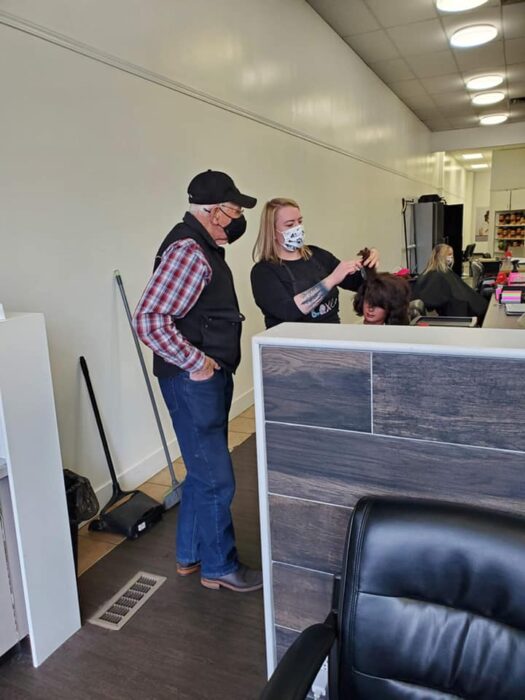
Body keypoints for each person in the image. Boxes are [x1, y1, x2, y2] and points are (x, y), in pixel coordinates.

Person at [133, 169, 262, 593]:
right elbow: (149, 319)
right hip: (193, 382)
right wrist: (196, 362)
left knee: (202, 471)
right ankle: (219, 566)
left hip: (200, 380)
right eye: (232, 210)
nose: (238, 218)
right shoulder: (190, 251)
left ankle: (190, 555)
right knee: (216, 478)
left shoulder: (204, 246)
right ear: (212, 212)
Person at [250, 198, 379, 328]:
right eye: (289, 225)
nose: (297, 228)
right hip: (292, 345)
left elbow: (358, 284)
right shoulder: (263, 272)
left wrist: (369, 263)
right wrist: (332, 279)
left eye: (299, 222)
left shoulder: (317, 255)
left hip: (331, 337)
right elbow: (288, 311)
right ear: (271, 231)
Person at [412, 243, 488, 321]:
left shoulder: (444, 272)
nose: (451, 257)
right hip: (456, 308)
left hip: (460, 302)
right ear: (441, 256)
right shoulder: (436, 275)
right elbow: (436, 299)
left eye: (452, 254)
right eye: (449, 254)